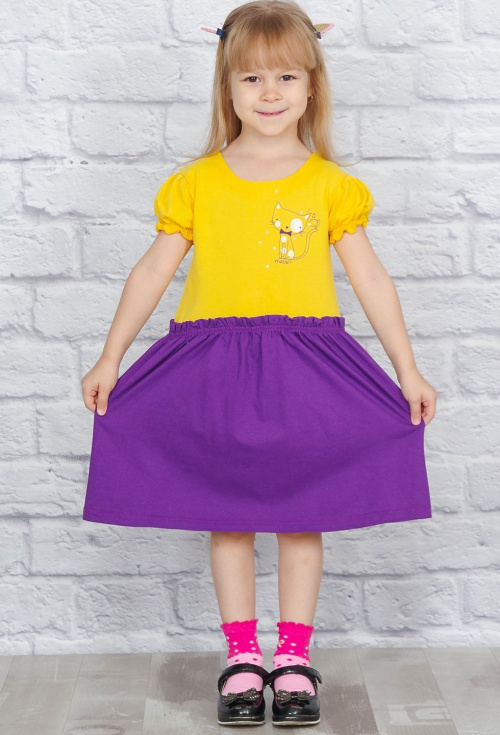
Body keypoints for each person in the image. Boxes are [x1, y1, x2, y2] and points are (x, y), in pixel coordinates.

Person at [80, 0, 437, 727]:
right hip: (212, 367)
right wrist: (110, 357)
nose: (269, 93)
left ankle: (293, 658)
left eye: (285, 76)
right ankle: (243, 657)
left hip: (307, 368)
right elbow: (152, 272)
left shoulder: (329, 185)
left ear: (312, 85)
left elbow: (371, 279)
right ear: (228, 86)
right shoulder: (198, 183)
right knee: (230, 515)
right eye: (251, 78)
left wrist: (408, 369)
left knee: (304, 515)